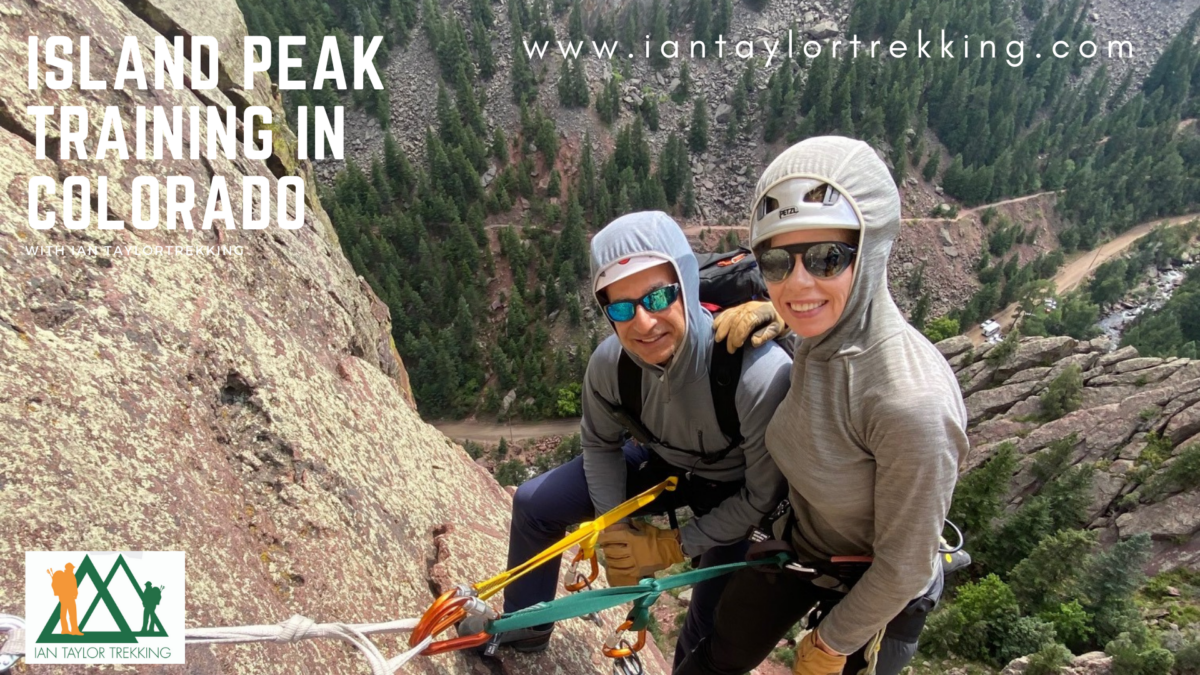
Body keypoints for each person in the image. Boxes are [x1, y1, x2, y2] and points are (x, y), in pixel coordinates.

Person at [676, 136, 970, 675]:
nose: (798, 282)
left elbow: (903, 566)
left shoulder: (910, 403)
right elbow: (817, 320)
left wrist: (833, 643)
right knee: (715, 658)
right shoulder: (820, 333)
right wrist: (787, 317)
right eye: (775, 261)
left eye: (826, 257)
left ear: (873, 248)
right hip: (801, 545)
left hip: (880, 588)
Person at [494, 210, 792, 666]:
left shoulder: (756, 373)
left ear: (686, 286)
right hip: (663, 462)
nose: (643, 322)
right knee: (535, 505)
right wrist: (614, 526)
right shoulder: (610, 367)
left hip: (738, 486)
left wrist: (672, 546)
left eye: (658, 296)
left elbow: (761, 495)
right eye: (620, 308)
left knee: (708, 620)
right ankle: (525, 631)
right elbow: (600, 444)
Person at [47, 562, 83, 636]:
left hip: (71, 597)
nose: (72, 569)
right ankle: (65, 630)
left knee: (72, 614)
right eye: (71, 568)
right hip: (64, 597)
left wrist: (75, 594)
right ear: (67, 568)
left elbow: (74, 586)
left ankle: (74, 630)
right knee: (64, 614)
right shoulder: (62, 575)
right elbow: (55, 585)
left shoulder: (72, 576)